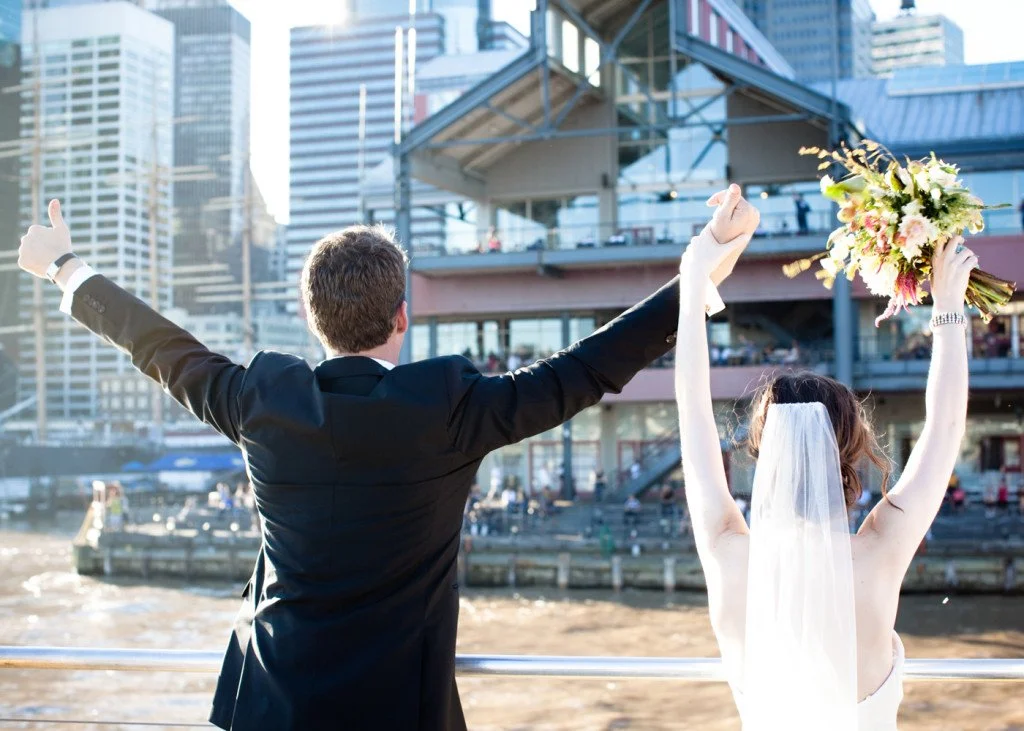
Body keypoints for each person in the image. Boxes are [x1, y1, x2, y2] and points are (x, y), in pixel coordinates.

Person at [19, 197, 745, 731]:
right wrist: (699, 266)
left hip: (271, 709)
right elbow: (585, 370)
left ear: (313, 319)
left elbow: (158, 347)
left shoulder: (262, 401)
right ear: (403, 315)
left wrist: (64, 265)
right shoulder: (448, 408)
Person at [676, 184, 977, 728]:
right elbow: (946, 426)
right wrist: (949, 308)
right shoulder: (880, 550)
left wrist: (695, 276)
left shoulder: (726, 553)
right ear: (849, 447)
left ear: (764, 452)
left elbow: (692, 413)